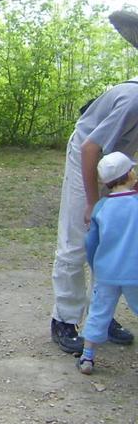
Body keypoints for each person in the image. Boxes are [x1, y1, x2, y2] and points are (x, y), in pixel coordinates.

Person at [50, 80, 138, 354]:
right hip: (85, 154)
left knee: (110, 242)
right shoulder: (133, 100)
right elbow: (89, 148)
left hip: (118, 163)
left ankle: (101, 315)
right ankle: (64, 321)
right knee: (77, 236)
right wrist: (92, 203)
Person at [77, 151, 138, 374]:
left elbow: (91, 242)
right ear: (129, 175)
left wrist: (96, 265)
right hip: (134, 272)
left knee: (99, 312)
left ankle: (87, 357)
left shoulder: (101, 207)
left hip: (106, 272)